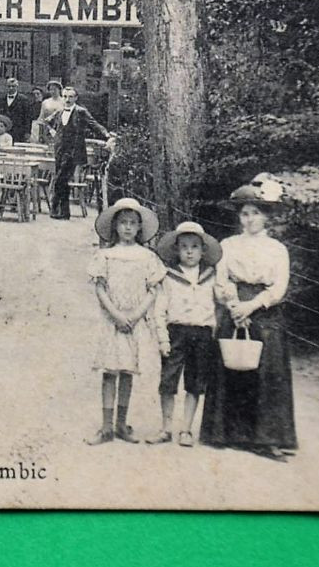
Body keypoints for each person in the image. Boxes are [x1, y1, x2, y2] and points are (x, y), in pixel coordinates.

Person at [200, 178, 297, 460]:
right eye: (244, 213)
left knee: (268, 371)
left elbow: (279, 287)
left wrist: (252, 306)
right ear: (239, 217)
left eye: (256, 212)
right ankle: (229, 433)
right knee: (233, 366)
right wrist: (233, 306)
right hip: (234, 307)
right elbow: (221, 280)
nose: (250, 218)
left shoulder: (277, 249)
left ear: (266, 216)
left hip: (265, 312)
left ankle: (268, 439)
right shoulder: (228, 245)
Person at [86, 197, 165, 445]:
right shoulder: (106, 255)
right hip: (112, 321)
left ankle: (122, 424)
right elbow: (100, 289)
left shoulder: (147, 257)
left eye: (133, 223)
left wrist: (134, 316)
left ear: (140, 227)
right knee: (110, 371)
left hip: (134, 321)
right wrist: (117, 315)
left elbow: (153, 291)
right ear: (115, 226)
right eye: (123, 223)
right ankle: (106, 426)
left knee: (127, 370)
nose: (128, 228)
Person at [147, 222, 222, 447]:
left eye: (195, 246)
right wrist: (162, 338)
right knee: (168, 380)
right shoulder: (168, 277)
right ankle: (166, 427)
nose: (189, 251)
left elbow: (219, 304)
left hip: (202, 333)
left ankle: (186, 429)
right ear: (176, 250)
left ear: (203, 250)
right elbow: (159, 310)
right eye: (184, 247)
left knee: (196, 383)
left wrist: (215, 331)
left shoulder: (211, 276)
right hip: (176, 333)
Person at [48, 86, 111, 219]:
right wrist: (52, 132)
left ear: (76, 98)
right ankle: (64, 212)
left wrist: (106, 134)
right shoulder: (59, 112)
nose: (67, 99)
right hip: (59, 149)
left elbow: (94, 124)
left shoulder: (81, 111)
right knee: (63, 180)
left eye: (71, 97)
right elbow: (46, 122)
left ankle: (55, 208)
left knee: (60, 178)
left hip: (74, 151)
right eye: (65, 96)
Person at [1, 77, 38, 144]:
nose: (11, 88)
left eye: (13, 86)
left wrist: (27, 132)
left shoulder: (24, 99)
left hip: (19, 131)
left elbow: (27, 117)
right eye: (9, 86)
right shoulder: (1, 99)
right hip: (4, 131)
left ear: (17, 87)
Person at [31, 78, 65, 144]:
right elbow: (41, 118)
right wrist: (40, 135)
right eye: (51, 89)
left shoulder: (64, 102)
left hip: (60, 129)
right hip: (47, 130)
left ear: (59, 90)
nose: (53, 91)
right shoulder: (45, 102)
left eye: (55, 89)